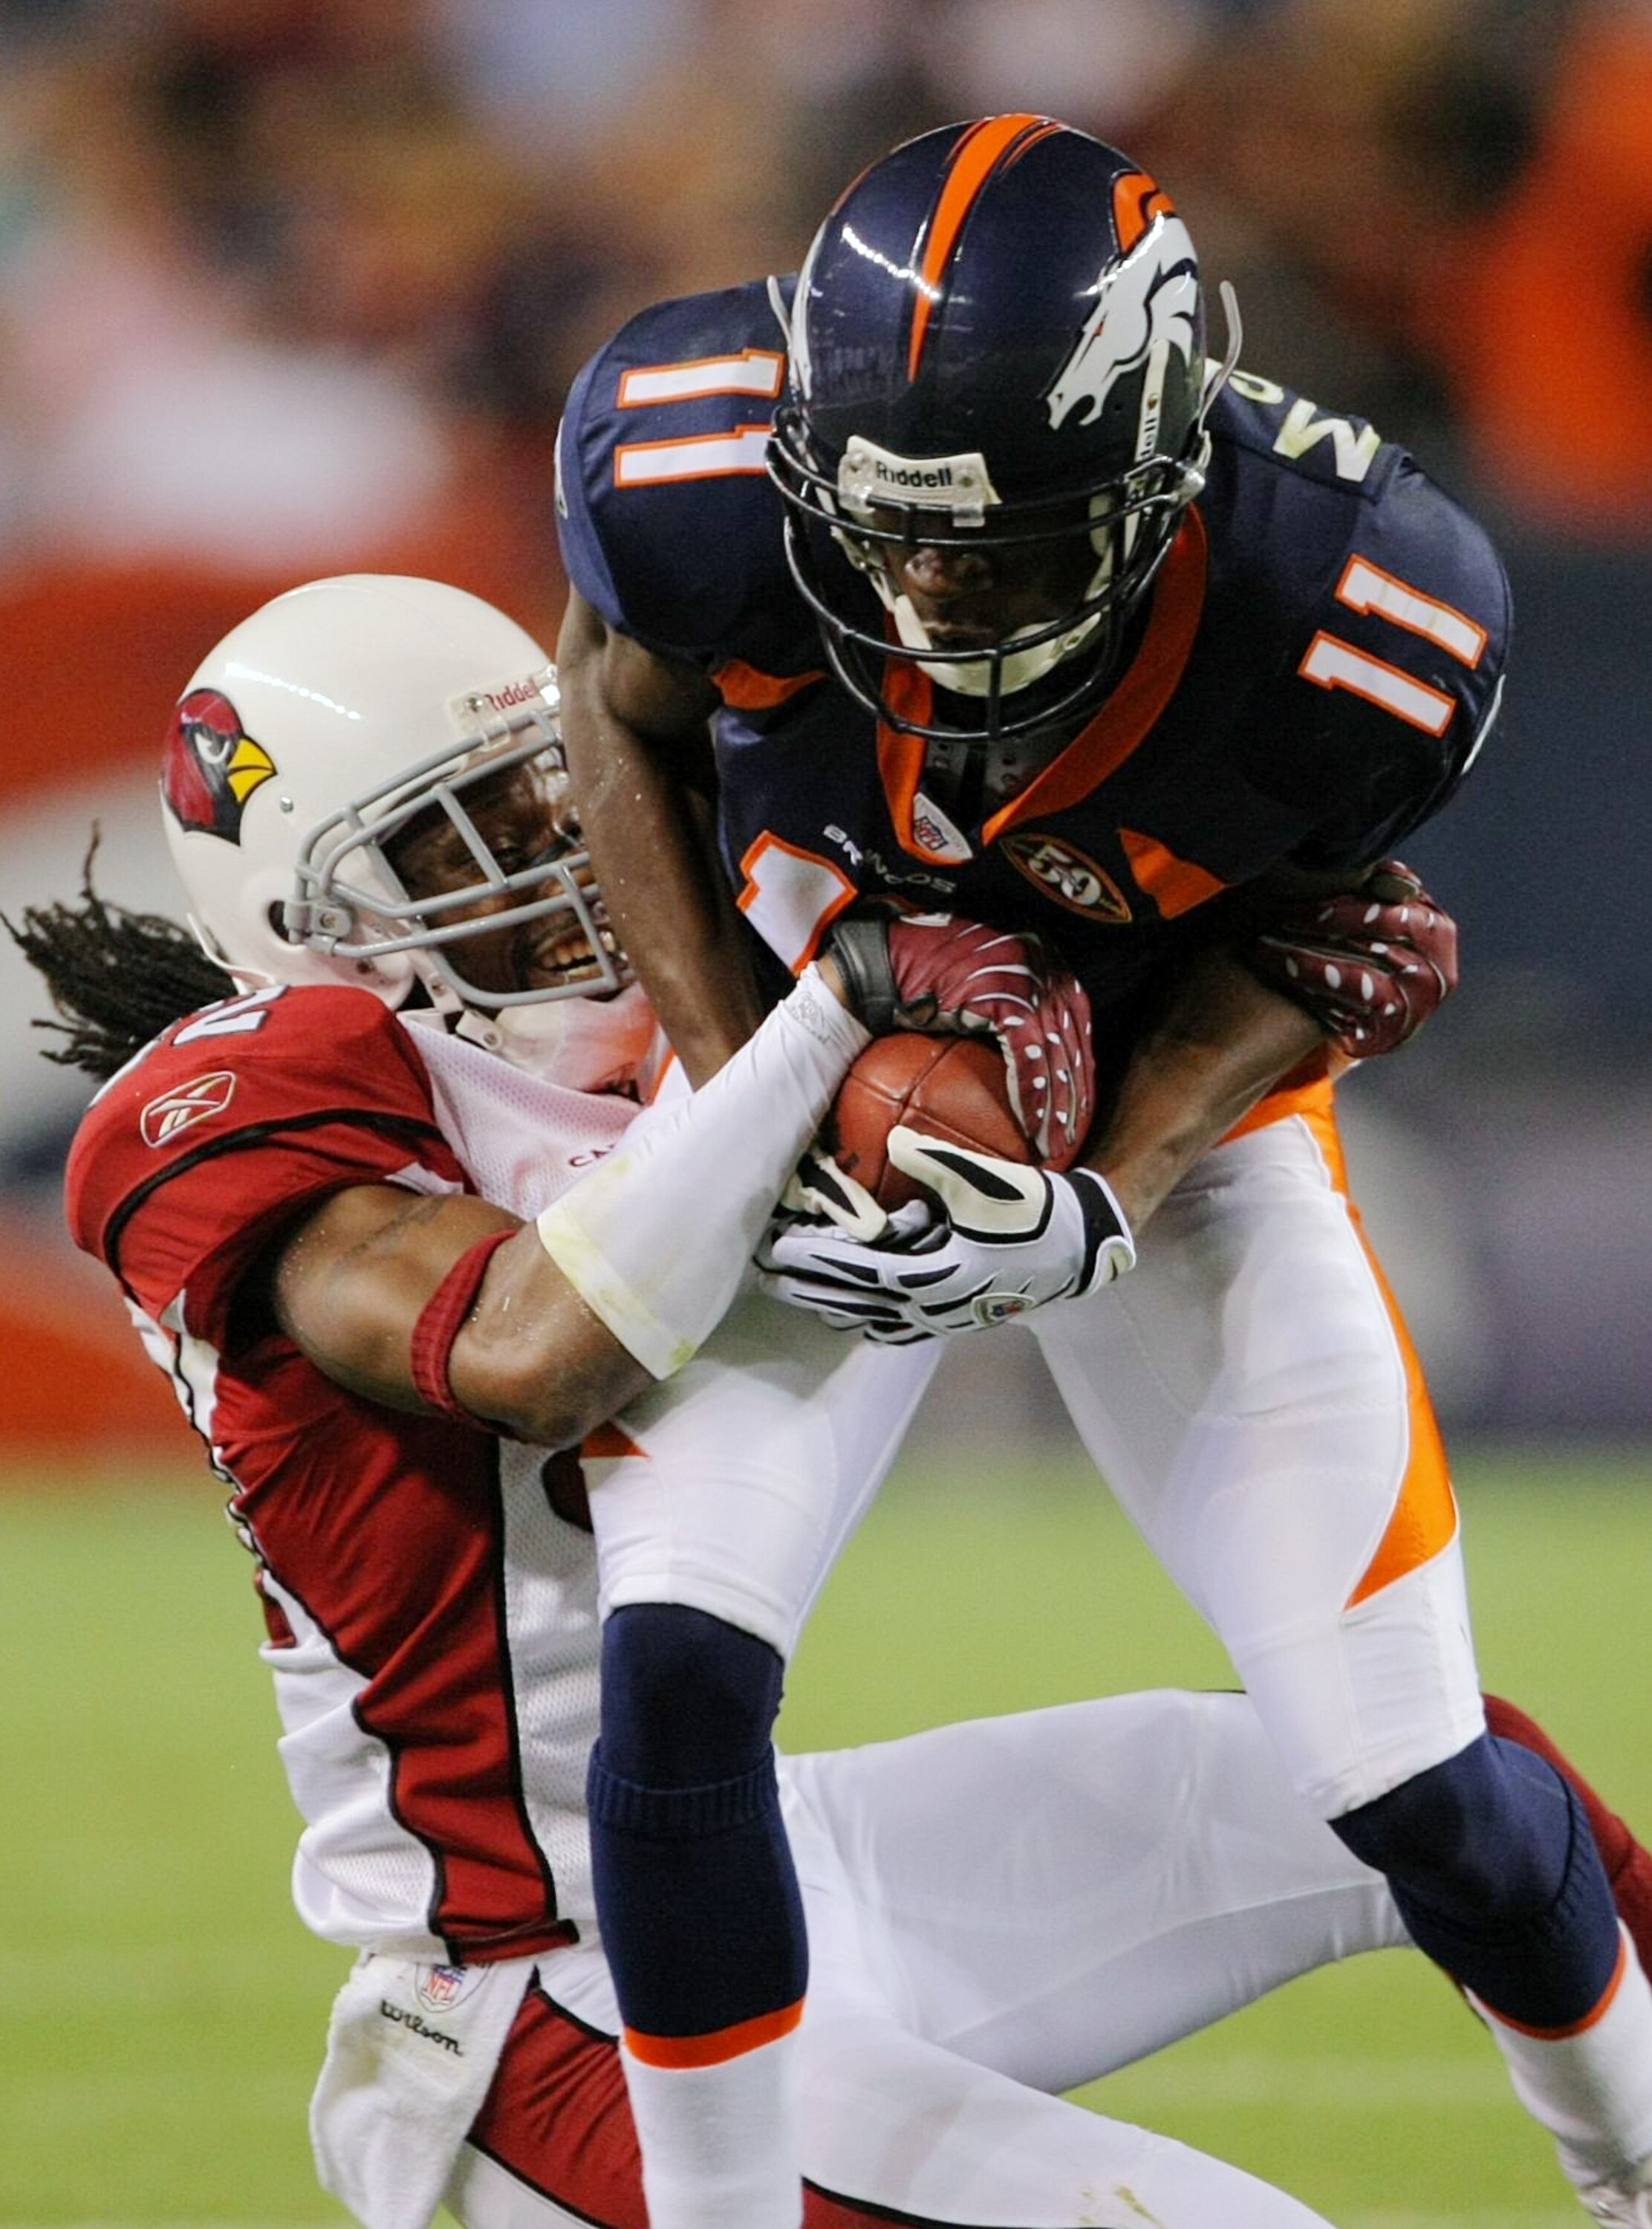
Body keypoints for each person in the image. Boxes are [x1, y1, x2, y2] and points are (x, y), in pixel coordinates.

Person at [16, 571, 1652, 2229]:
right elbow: (527, 1353)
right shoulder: (240, 1106)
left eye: (543, 793)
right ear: (307, 921)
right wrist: (819, 1020)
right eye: (457, 840)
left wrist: (1272, 981)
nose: (554, 857)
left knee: (1452, 1786)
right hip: (545, 1987)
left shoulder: (695, 991)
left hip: (777, 1855)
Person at [551, 114, 1652, 2229]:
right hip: (810, 1086)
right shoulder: (696, 465)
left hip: (1176, 1138)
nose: (928, 596)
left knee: (1408, 1776)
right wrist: (739, 1085)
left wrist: (1109, 1194)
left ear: (1154, 471)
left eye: (1001, 549)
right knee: (674, 1678)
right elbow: (613, 710)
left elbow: (1324, 947)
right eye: (889, 539)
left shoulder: (1357, 599)